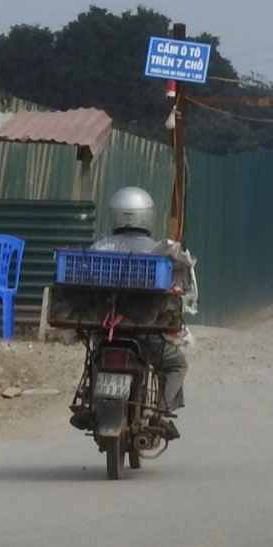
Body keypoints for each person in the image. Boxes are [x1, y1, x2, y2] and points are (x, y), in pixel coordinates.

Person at [88, 185, 195, 435]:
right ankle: (159, 413)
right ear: (146, 215)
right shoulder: (158, 251)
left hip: (105, 332)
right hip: (145, 336)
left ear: (115, 213)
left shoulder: (98, 249)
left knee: (95, 358)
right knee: (177, 364)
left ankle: (91, 403)